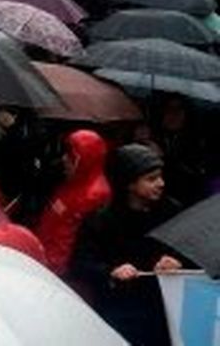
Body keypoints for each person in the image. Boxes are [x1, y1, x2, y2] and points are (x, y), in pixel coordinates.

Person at [70, 144, 189, 346]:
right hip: (120, 317)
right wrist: (111, 272)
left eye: (160, 177)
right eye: (151, 179)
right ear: (129, 184)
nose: (161, 183)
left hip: (165, 315)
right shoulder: (100, 220)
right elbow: (80, 264)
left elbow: (193, 251)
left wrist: (178, 263)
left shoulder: (172, 211)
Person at [35, 129, 111, 275]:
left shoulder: (94, 195)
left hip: (57, 270)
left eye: (70, 156)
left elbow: (74, 239)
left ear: (84, 159)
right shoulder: (73, 181)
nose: (64, 159)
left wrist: (52, 268)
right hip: (45, 258)